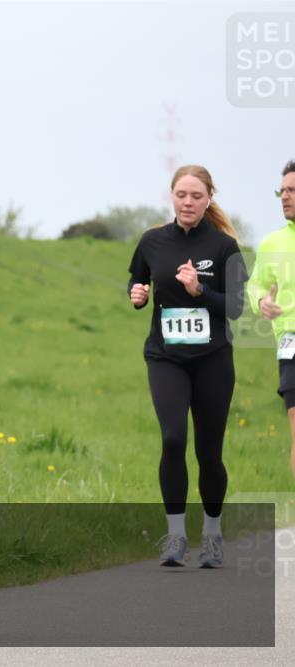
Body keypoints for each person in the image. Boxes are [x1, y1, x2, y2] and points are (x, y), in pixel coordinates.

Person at [127, 165, 249, 568]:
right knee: (174, 438)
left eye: (196, 196)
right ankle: (176, 536)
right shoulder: (151, 242)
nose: (188, 202)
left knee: (209, 450)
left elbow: (234, 307)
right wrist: (138, 295)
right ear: (172, 197)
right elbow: (137, 283)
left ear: (209, 199)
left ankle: (212, 536)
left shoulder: (224, 247)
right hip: (166, 358)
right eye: (181, 194)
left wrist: (200, 291)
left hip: (213, 360)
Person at [248, 159, 295, 477]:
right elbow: (256, 286)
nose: (285, 196)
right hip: (291, 343)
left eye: (292, 190)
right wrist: (262, 301)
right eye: (282, 190)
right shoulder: (272, 243)